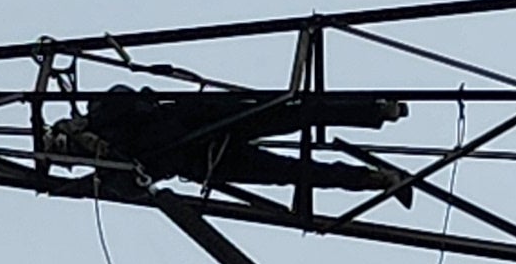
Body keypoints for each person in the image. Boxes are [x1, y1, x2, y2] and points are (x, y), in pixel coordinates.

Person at [50, 79, 410, 193]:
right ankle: (374, 179)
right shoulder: (111, 171)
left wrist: (84, 132)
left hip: (204, 123)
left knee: (295, 115)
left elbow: (132, 100)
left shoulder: (106, 112)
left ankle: (375, 111)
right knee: (294, 172)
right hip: (206, 159)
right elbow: (134, 185)